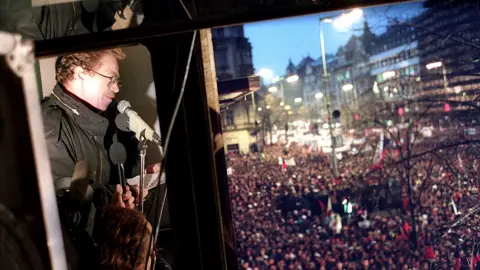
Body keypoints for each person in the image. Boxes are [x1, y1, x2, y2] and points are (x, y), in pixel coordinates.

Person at [41, 48, 148, 207]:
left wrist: (138, 177)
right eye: (111, 78)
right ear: (79, 73)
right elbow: (65, 211)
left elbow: (117, 172)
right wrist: (111, 208)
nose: (116, 89)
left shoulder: (107, 114)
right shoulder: (49, 129)